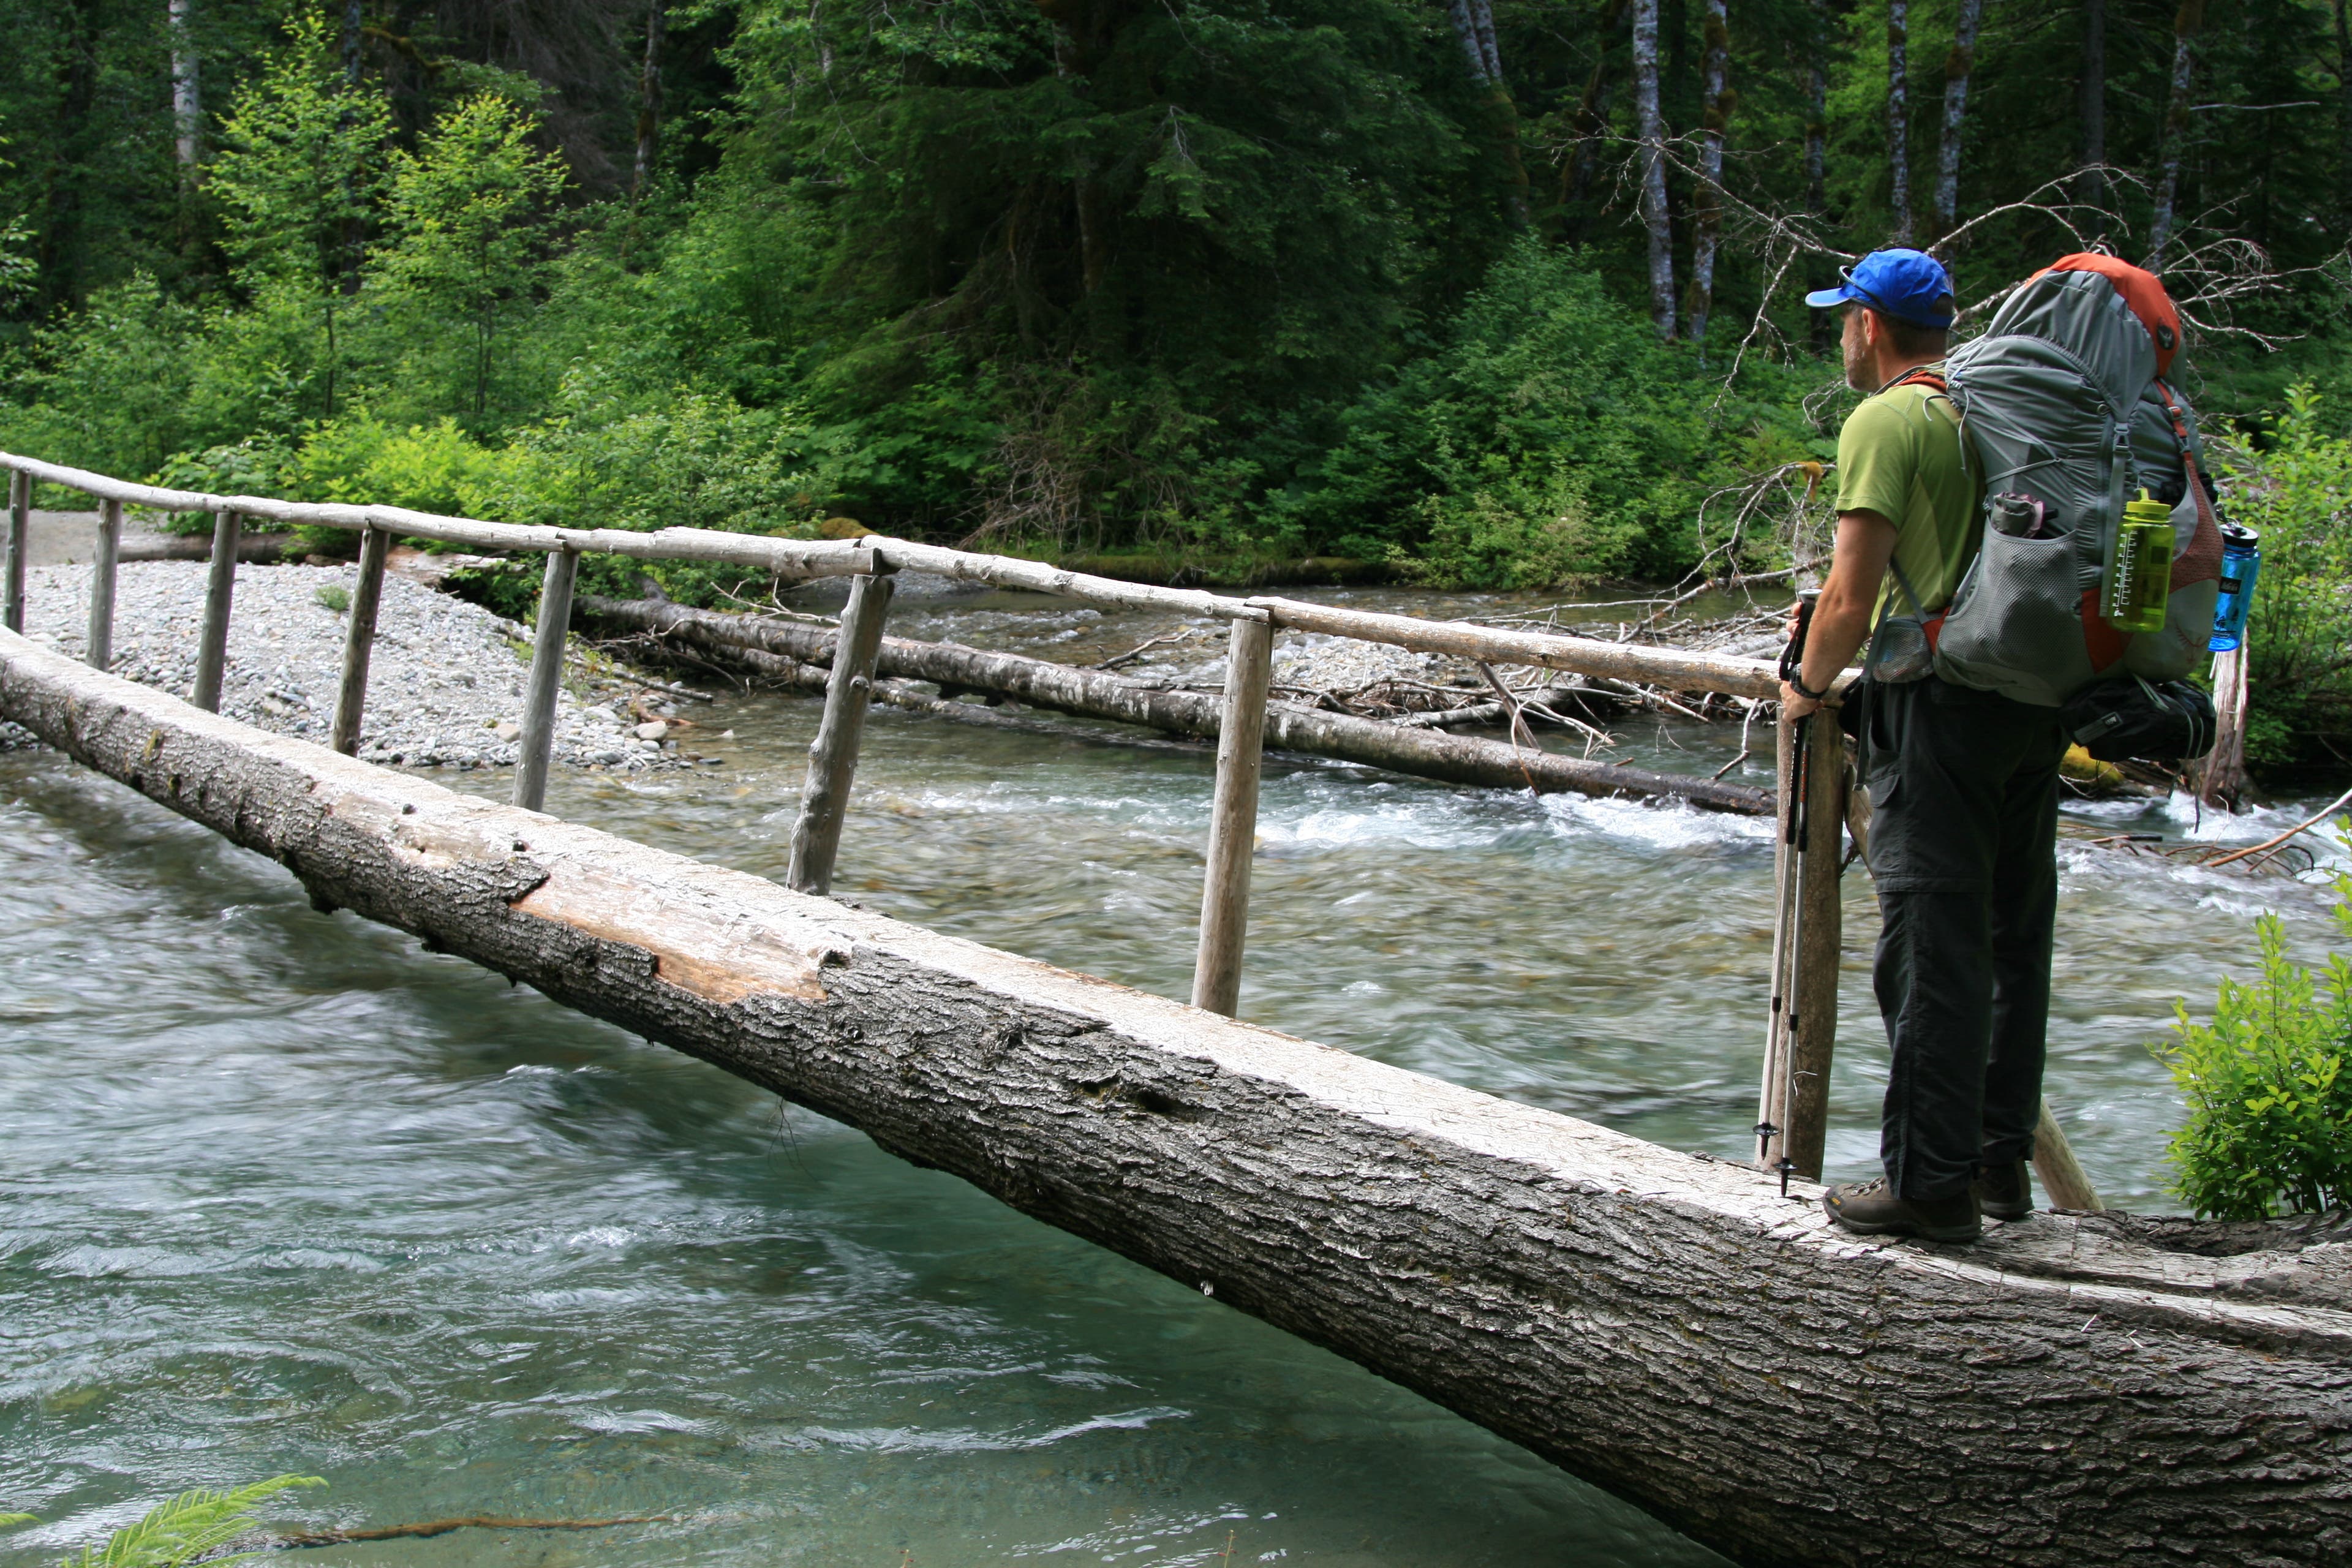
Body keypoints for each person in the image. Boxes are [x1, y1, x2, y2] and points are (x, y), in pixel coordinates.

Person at [1784, 248, 2068, 1245]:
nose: (1843, 337)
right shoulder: (1987, 409)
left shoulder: (1889, 418)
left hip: (1941, 708)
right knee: (2009, 935)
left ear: (1868, 324)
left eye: (1843, 320)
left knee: (1933, 948)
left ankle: (1929, 1187)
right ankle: (1998, 1169)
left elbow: (1852, 600)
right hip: (2032, 698)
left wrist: (1805, 687)